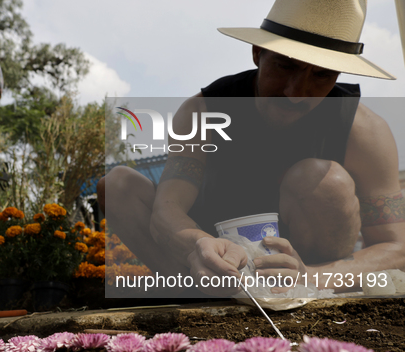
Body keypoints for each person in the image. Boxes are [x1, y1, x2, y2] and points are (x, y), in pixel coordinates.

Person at [99, 0, 405, 296]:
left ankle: (302, 299)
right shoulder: (203, 112)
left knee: (325, 180)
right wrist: (197, 246)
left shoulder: (364, 132)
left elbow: (395, 248)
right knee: (117, 184)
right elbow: (168, 208)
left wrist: (312, 276)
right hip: (209, 262)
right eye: (285, 66)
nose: (296, 93)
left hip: (304, 275)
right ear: (258, 52)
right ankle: (200, 296)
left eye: (322, 75)